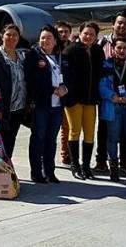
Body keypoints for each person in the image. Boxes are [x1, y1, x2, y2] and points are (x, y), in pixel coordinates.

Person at [96, 10, 126, 172]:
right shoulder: (103, 43)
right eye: (119, 22)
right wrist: (111, 95)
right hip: (109, 99)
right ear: (113, 24)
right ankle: (103, 161)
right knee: (105, 131)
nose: (122, 25)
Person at [62, 22, 104, 180]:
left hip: (91, 99)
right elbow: (65, 76)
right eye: (86, 33)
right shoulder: (70, 50)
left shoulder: (97, 51)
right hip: (74, 99)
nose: (88, 37)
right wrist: (69, 96)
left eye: (92, 34)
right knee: (74, 131)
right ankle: (75, 165)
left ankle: (86, 166)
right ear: (79, 33)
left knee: (90, 133)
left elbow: (100, 73)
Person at [26, 26, 67, 183]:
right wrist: (52, 90)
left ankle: (50, 171)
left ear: (55, 41)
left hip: (57, 106)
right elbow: (32, 80)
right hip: (42, 104)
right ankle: (36, 172)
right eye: (43, 37)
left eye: (49, 38)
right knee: (38, 138)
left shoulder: (60, 57)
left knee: (51, 139)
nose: (45, 41)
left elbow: (68, 76)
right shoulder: (34, 55)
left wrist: (65, 88)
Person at [0, 24, 28, 157]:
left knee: (11, 139)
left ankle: (7, 168)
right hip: (2, 107)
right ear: (2, 36)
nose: (11, 38)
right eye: (8, 35)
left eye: (15, 35)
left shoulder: (22, 56)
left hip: (18, 107)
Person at [55, 21, 73, 166]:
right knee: (53, 126)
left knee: (67, 127)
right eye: (60, 31)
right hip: (53, 92)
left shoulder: (72, 49)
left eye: (66, 31)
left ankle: (66, 154)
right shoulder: (51, 48)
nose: (63, 34)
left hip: (67, 92)